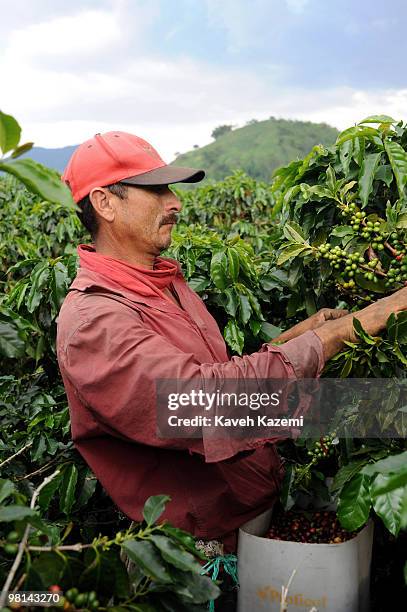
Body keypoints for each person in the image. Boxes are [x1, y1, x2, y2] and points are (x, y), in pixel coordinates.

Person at [56, 131, 407, 552]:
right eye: (155, 189)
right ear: (105, 203)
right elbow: (203, 407)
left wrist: (311, 337)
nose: (175, 202)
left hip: (251, 512)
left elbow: (223, 377)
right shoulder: (96, 322)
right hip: (198, 553)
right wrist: (347, 330)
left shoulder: (161, 282)